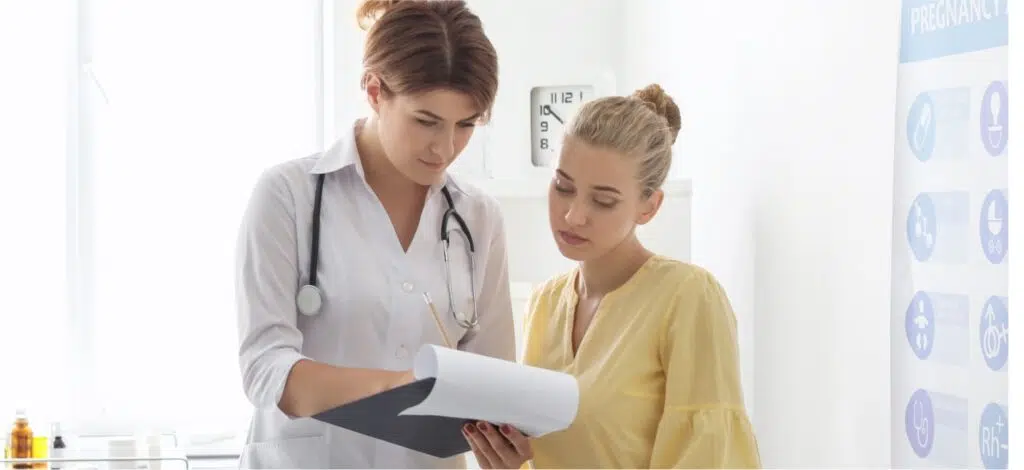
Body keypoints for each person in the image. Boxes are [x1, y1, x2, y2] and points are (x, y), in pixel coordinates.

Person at [234, 0, 515, 468]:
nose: (445, 148)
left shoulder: (478, 219)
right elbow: (265, 368)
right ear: (373, 89)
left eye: (466, 125)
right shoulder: (288, 196)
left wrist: (503, 440)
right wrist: (395, 386)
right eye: (426, 121)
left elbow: (491, 380)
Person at [462, 84, 762, 469]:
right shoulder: (545, 304)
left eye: (603, 201)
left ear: (649, 207)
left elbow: (709, 456)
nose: (573, 216)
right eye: (563, 187)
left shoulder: (687, 298)